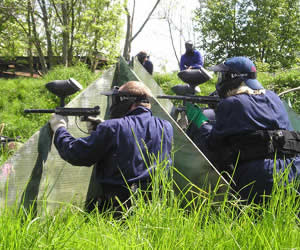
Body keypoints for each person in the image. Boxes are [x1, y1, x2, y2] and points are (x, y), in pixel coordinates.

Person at [185, 56, 300, 203]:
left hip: (262, 178)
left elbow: (211, 145)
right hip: (293, 172)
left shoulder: (232, 103)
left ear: (232, 78)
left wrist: (201, 122)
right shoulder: (274, 98)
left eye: (222, 75)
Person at [49, 81, 173, 213]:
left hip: (118, 211)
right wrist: (102, 131)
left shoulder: (112, 128)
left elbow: (77, 154)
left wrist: (59, 128)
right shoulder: (165, 126)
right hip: (153, 209)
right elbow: (134, 144)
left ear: (124, 101)